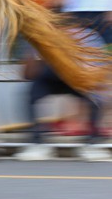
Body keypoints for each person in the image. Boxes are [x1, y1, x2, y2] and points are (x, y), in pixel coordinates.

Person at [15, 29, 110, 161]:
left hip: (75, 76)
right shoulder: (41, 34)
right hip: (49, 77)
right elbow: (26, 75)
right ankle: (37, 144)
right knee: (30, 94)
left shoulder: (87, 36)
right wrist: (33, 53)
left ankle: (92, 145)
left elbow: (99, 69)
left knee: (94, 97)